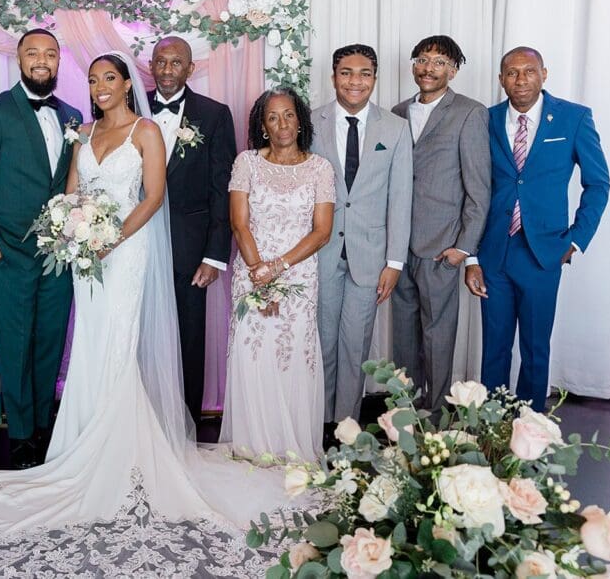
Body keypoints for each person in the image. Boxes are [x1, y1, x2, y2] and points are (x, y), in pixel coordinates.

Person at [0, 52, 298, 578]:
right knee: (93, 342)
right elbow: (71, 193)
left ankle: (121, 448)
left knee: (119, 340)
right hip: (87, 252)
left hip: (126, 250)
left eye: (109, 79)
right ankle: (81, 440)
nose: (100, 87)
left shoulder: (146, 131)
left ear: (127, 84)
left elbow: (153, 196)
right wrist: (75, 228)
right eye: (94, 80)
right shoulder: (83, 133)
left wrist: (114, 237)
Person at [0, 28, 81, 469]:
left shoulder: (72, 115)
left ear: (57, 61)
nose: (42, 60)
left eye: (50, 53)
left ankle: (46, 426)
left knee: (50, 340)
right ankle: (22, 433)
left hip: (59, 253)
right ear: (19, 59)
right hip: (9, 250)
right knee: (16, 342)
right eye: (33, 52)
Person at [465, 47, 609, 411]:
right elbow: (473, 184)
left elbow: (598, 184)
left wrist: (576, 240)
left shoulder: (573, 119)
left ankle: (530, 426)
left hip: (544, 252)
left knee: (534, 347)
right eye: (512, 73)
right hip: (494, 250)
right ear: (501, 80)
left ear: (544, 73)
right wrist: (471, 256)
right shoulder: (486, 119)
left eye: (529, 71)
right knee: (494, 345)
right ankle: (491, 424)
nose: (521, 79)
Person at [222, 88, 334, 459]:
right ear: (263, 125)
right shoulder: (247, 163)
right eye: (273, 117)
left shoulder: (320, 169)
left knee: (292, 358)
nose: (282, 123)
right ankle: (253, 446)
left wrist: (278, 269)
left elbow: (322, 231)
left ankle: (292, 448)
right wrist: (259, 275)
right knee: (254, 356)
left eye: (289, 115)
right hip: (251, 272)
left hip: (298, 276)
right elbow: (240, 224)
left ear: (300, 120)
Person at [311, 44, 413, 426]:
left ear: (374, 78)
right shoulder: (311, 122)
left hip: (370, 257)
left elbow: (401, 198)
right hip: (320, 252)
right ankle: (315, 423)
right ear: (334, 76)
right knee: (321, 343)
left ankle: (345, 427)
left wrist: (394, 262)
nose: (356, 81)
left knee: (355, 345)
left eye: (365, 73)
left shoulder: (395, 128)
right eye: (347, 72)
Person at [390, 36, 490, 410]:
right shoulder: (397, 112)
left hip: (441, 246)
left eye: (439, 62)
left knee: (438, 337)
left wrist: (464, 249)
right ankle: (404, 414)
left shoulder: (469, 113)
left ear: (454, 69)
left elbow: (479, 187)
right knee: (403, 337)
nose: (428, 68)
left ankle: (436, 416)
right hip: (399, 246)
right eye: (422, 59)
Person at [147, 36, 237, 423]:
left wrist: (215, 254)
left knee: (189, 337)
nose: (167, 70)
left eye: (176, 63)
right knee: (138, 336)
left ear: (190, 68)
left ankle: (186, 422)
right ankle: (142, 420)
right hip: (137, 245)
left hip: (191, 248)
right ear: (150, 66)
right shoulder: (126, 105)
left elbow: (223, 189)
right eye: (161, 62)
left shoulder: (215, 114)